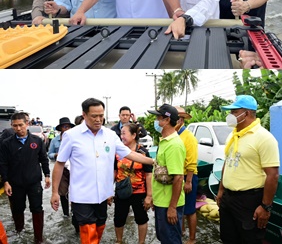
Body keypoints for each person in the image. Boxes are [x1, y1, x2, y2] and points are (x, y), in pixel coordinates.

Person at [50, 98, 154, 244]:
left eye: (101, 115)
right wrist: (55, 192)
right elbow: (59, 164)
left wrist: (153, 161)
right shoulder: (71, 136)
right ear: (84, 115)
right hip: (82, 195)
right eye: (94, 116)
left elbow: (129, 153)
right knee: (88, 233)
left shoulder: (110, 135)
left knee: (99, 229)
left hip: (103, 195)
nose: (98, 120)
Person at [217, 95, 279, 244]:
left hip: (249, 201)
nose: (230, 116)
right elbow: (228, 162)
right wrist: (221, 190)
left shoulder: (264, 138)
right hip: (228, 199)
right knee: (228, 238)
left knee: (249, 239)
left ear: (247, 113)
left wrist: (265, 207)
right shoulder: (234, 135)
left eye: (234, 112)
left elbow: (273, 175)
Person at [0, 112, 50, 244]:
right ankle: (19, 232)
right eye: (15, 126)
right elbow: (3, 164)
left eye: (21, 125)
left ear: (27, 124)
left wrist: (47, 175)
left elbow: (44, 159)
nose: (18, 128)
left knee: (37, 209)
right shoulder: (6, 143)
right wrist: (5, 181)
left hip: (34, 182)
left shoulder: (37, 140)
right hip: (15, 183)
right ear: (11, 126)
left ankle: (38, 239)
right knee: (17, 209)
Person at [147, 104, 186, 243]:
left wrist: (172, 207)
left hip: (168, 204)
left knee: (171, 239)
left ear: (167, 120)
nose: (156, 122)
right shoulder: (164, 142)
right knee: (164, 238)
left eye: (158, 118)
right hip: (161, 201)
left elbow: (178, 177)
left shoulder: (174, 145)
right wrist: (154, 198)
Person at [113, 123, 153, 244]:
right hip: (122, 191)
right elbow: (114, 171)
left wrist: (149, 196)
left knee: (141, 219)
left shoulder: (143, 152)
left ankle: (141, 242)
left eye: (124, 133)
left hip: (139, 192)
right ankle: (119, 241)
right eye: (121, 134)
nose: (122, 136)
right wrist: (109, 191)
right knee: (119, 219)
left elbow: (148, 175)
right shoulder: (117, 152)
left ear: (134, 135)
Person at [174, 106, 198, 244]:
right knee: (179, 207)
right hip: (177, 176)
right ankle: (181, 232)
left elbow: (192, 162)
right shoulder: (175, 134)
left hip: (187, 176)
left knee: (189, 209)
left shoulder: (188, 137)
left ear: (181, 120)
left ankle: (192, 238)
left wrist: (188, 181)